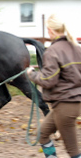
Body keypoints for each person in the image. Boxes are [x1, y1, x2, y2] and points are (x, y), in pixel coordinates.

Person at [27, 14, 81, 158]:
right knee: (43, 134)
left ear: (50, 30)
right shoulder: (77, 48)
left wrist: (32, 74)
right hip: (70, 103)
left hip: (65, 105)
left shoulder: (53, 50)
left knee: (74, 152)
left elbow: (48, 80)